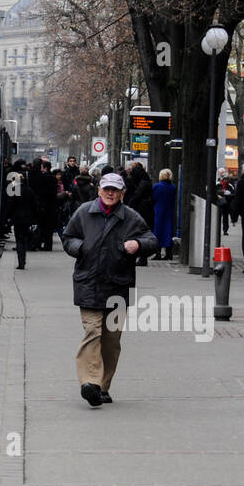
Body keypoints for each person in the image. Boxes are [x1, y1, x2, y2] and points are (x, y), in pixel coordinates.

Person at [63, 172, 158, 407]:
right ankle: (89, 383)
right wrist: (80, 247)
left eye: (115, 190)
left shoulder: (131, 217)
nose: (110, 193)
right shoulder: (84, 212)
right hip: (88, 284)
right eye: (106, 189)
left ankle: (103, 386)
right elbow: (68, 237)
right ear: (98, 190)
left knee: (111, 341)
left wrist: (138, 244)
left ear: (122, 193)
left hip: (118, 287)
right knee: (92, 333)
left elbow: (152, 241)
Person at [5, 159, 37, 270]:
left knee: (19, 240)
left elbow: (10, 205)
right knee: (24, 238)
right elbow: (34, 205)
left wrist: (7, 218)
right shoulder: (30, 190)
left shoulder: (14, 190)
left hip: (18, 218)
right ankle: (23, 259)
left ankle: (21, 262)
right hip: (28, 219)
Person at [29, 159, 57, 250]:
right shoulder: (53, 178)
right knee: (49, 227)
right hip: (52, 205)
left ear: (45, 168)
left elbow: (40, 191)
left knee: (42, 225)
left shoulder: (43, 178)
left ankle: (37, 243)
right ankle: (48, 245)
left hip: (44, 205)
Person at [151, 168, 177, 260]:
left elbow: (153, 199)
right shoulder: (173, 187)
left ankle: (157, 253)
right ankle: (169, 253)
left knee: (157, 231)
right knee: (168, 231)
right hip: (169, 211)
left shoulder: (157, 186)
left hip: (158, 210)